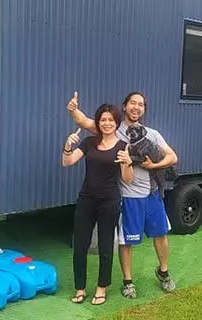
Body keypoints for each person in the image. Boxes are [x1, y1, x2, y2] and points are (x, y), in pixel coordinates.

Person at [67, 91, 178, 298]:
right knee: (126, 241)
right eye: (133, 103)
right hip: (127, 195)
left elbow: (172, 157)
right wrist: (73, 109)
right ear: (125, 106)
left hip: (152, 193)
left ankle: (163, 272)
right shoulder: (113, 130)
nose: (136, 107)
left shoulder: (151, 133)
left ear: (144, 110)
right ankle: (128, 282)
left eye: (141, 105)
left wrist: (154, 164)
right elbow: (84, 122)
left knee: (160, 234)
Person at [62, 102, 134, 306]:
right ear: (98, 122)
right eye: (103, 119)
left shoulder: (122, 146)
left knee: (105, 246)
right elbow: (67, 162)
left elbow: (127, 179)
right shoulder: (89, 142)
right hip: (86, 199)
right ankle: (80, 287)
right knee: (80, 246)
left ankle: (102, 287)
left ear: (117, 122)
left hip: (109, 201)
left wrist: (128, 163)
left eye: (111, 119)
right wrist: (68, 146)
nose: (107, 123)